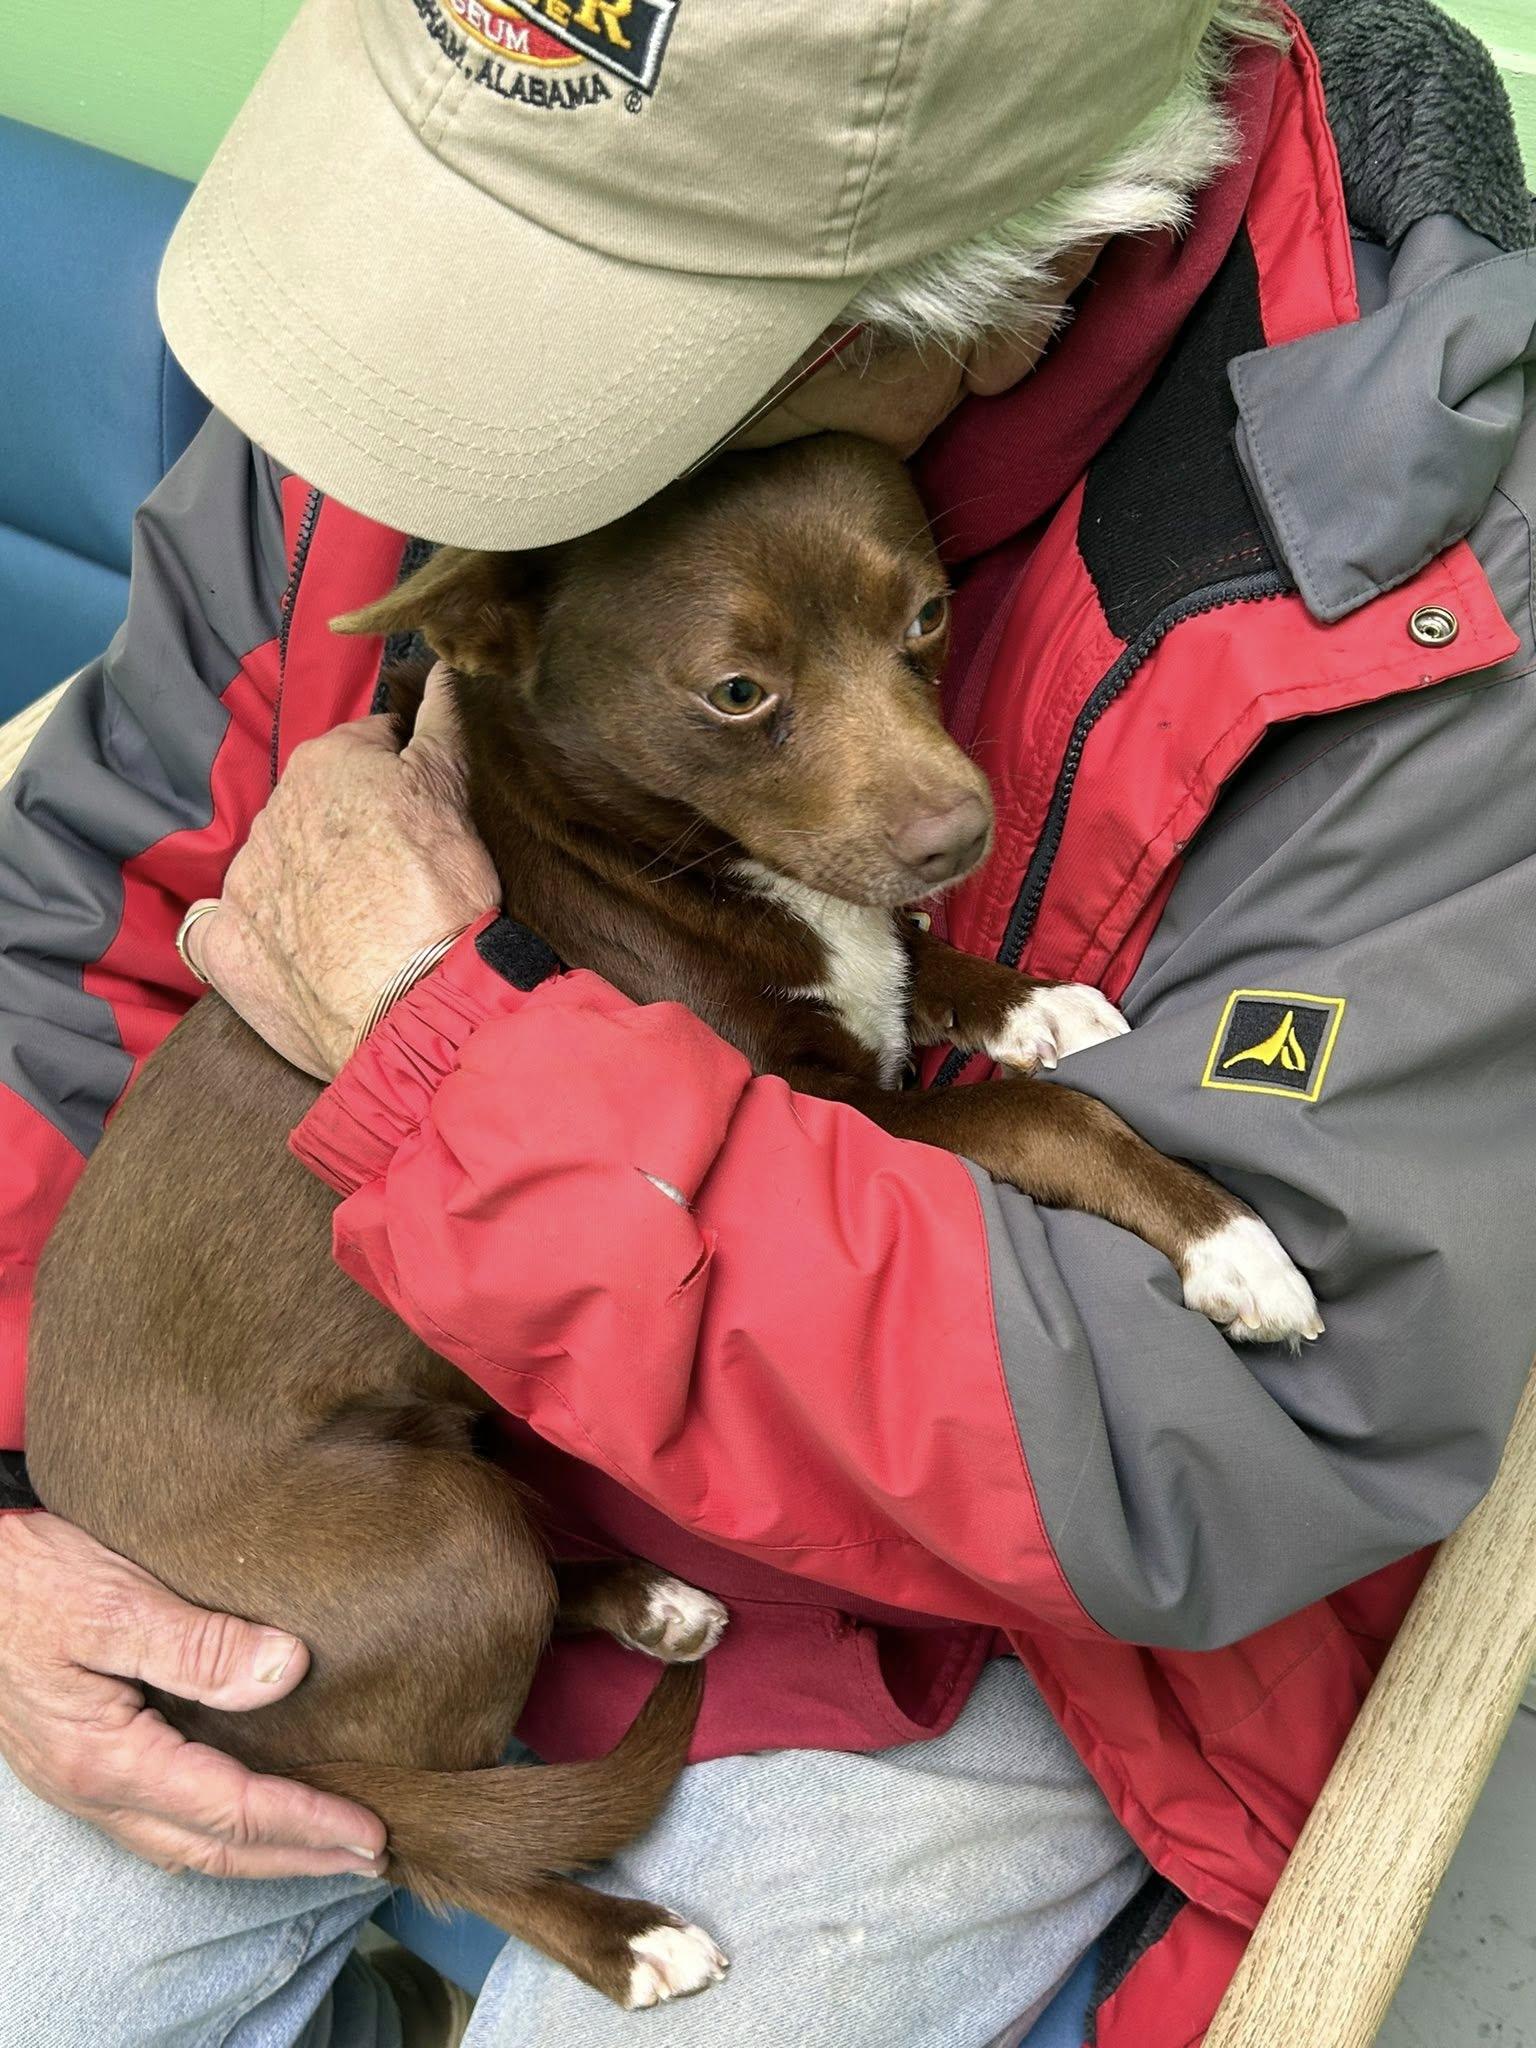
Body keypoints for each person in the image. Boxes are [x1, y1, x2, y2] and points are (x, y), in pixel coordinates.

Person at [2, 0, 1534, 2042]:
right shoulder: (437, 360)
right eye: (482, 249)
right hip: (337, 1459)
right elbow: (90, 919)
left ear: (1028, 271)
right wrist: (23, 1489)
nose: (467, 385)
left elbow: (1215, 1430)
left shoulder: (1427, 567)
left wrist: (441, 1063)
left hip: (992, 1605)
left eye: (604, 310)